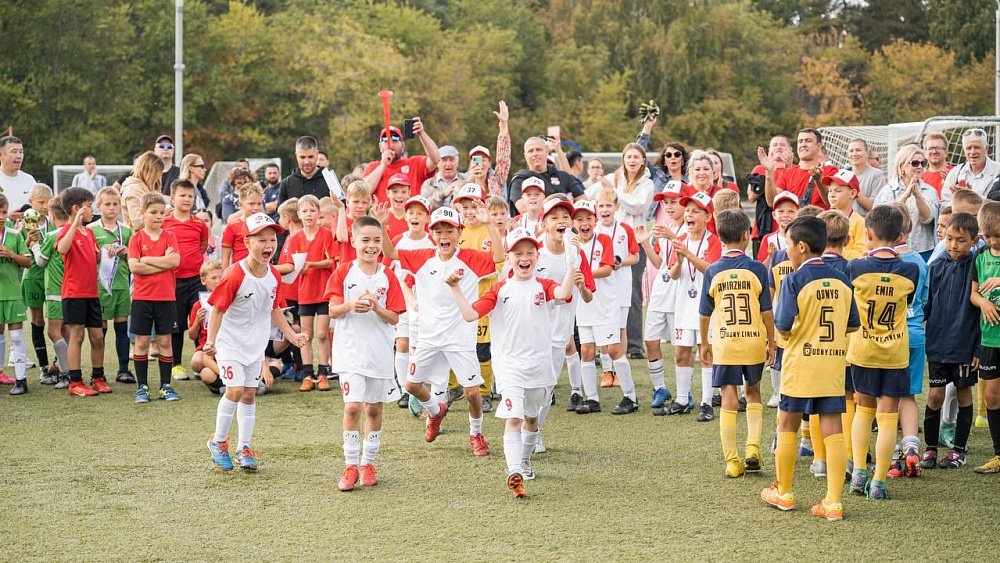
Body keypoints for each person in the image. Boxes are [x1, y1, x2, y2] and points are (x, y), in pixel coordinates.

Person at [448, 227, 576, 497]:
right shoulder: (499, 289)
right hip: (509, 367)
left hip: (540, 366)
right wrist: (456, 288)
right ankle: (514, 471)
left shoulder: (543, 285)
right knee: (514, 419)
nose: (524, 258)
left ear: (537, 257)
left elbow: (563, 294)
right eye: (518, 253)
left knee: (531, 419)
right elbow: (471, 315)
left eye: (529, 252)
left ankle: (525, 460)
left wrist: (572, 263)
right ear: (509, 258)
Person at [760, 216, 859, 522]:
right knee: (833, 428)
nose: (786, 249)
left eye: (788, 244)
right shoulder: (843, 279)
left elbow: (783, 325)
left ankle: (785, 492)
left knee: (787, 424)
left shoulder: (794, 280)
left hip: (800, 365)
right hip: (831, 364)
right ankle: (832, 502)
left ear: (801, 246)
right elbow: (853, 323)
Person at [381, 206, 501, 455]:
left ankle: (476, 434)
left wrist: (490, 225)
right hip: (429, 338)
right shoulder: (421, 256)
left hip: (460, 339)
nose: (444, 235)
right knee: (411, 386)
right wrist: (382, 225)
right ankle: (436, 412)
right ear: (432, 234)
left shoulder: (471, 258)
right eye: (438, 231)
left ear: (459, 232)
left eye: (449, 230)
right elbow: (390, 252)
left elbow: (499, 256)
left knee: (471, 394)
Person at [206, 212, 306, 472]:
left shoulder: (273, 275)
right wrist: (211, 341)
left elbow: (274, 309)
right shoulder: (233, 275)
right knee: (235, 391)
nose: (268, 246)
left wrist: (292, 335)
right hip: (230, 344)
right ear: (247, 242)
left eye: (272, 240)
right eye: (261, 240)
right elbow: (216, 309)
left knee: (250, 395)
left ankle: (244, 447)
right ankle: (218, 442)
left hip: (255, 345)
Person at [326, 216, 406, 491]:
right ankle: (350, 465)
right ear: (354, 240)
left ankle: (368, 462)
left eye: (376, 240)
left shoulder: (388, 276)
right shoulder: (343, 272)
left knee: (373, 408)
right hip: (350, 352)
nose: (371, 246)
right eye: (365, 240)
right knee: (352, 406)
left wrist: (375, 307)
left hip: (379, 352)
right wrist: (351, 305)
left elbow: (394, 317)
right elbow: (332, 310)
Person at [846, 205, 920, 500]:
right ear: (901, 235)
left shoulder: (855, 267)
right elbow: (910, 297)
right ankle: (878, 482)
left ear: (868, 234)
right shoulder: (910, 269)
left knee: (863, 411)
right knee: (888, 416)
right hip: (894, 352)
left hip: (863, 349)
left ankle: (859, 473)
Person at [699, 209, 774, 478]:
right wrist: (772, 342)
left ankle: (732, 461)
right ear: (746, 235)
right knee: (753, 392)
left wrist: (703, 344)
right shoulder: (757, 269)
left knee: (729, 398)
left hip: (726, 344)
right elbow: (767, 311)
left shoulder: (712, 271)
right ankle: (753, 448)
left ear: (720, 236)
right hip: (753, 342)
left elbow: (704, 313)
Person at [921, 212, 980, 470]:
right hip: (937, 346)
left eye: (961, 240)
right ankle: (930, 449)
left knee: (964, 394)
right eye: (949, 239)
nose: (954, 245)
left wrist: (977, 347)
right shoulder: (935, 267)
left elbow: (980, 313)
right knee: (934, 396)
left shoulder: (977, 267)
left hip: (964, 346)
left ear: (974, 241)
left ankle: (958, 451)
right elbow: (927, 305)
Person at [666, 191, 721, 419]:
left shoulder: (713, 241)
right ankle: (681, 399)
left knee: (705, 352)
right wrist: (679, 262)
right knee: (681, 352)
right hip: (683, 304)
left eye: (695, 211)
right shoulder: (680, 241)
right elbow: (673, 274)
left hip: (705, 306)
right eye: (687, 210)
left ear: (707, 217)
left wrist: (687, 254)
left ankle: (706, 402)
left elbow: (712, 270)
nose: (689, 215)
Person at [569, 200, 627, 414]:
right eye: (579, 219)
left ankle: (630, 396)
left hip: (605, 303)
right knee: (586, 350)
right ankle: (592, 399)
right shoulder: (572, 243)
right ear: (574, 222)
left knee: (613, 348)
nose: (584, 223)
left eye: (588, 219)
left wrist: (582, 274)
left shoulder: (603, 239)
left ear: (594, 220)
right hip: (583, 304)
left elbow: (607, 269)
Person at [886, 205, 929, 479]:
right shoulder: (921, 263)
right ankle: (912, 447)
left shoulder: (877, 262)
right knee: (909, 395)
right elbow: (924, 298)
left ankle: (891, 459)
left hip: (889, 336)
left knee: (886, 400)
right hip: (916, 333)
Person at [127, 192, 181, 403]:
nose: (159, 216)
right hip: (142, 298)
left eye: (162, 212)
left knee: (164, 341)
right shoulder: (136, 238)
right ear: (142, 213)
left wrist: (148, 259)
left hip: (166, 298)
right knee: (141, 343)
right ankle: (142, 387)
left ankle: (166, 386)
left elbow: (174, 261)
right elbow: (134, 266)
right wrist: (162, 260)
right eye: (153, 212)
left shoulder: (170, 237)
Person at [278, 195, 336, 392]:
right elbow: (293, 265)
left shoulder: (326, 234)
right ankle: (307, 374)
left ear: (319, 213)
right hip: (305, 293)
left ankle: (323, 374)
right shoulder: (295, 238)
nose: (309, 214)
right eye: (304, 211)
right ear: (299, 216)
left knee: (322, 334)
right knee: (305, 335)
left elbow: (331, 262)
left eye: (312, 210)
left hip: (324, 291)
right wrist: (294, 269)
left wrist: (311, 264)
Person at [55, 187, 107, 397]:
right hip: (74, 293)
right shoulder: (65, 231)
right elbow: (62, 249)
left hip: (91, 293)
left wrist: (107, 254)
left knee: (97, 336)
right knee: (77, 336)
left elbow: (94, 259)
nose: (92, 209)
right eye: (88, 205)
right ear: (76, 209)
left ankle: (98, 377)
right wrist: (74, 225)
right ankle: (75, 382)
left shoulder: (90, 232)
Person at [641, 181, 687, 412]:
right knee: (650, 340)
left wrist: (670, 235)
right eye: (666, 202)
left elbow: (685, 257)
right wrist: (646, 246)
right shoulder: (664, 225)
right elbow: (660, 264)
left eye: (674, 201)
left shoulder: (689, 227)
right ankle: (660, 388)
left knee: (681, 348)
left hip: (680, 294)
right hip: (661, 291)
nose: (669, 207)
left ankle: (683, 392)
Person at [389, 195, 435, 408]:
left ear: (427, 217)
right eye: (411, 212)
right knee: (403, 343)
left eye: (420, 213)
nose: (415, 216)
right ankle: (404, 390)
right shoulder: (398, 240)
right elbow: (387, 266)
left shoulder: (433, 241)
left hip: (426, 302)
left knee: (423, 346)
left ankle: (420, 386)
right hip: (401, 301)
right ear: (405, 215)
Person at [163, 179, 209, 380]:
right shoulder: (164, 222)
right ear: (172, 198)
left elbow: (202, 246)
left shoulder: (199, 224)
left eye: (190, 196)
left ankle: (204, 362)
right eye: (182, 195)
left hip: (197, 280)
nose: (187, 199)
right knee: (177, 324)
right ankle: (177, 365)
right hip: (173, 281)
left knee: (201, 320)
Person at [593, 187, 639, 387]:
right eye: (601, 206)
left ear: (617, 207)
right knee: (603, 327)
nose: (604, 210)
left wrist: (620, 261)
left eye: (608, 206)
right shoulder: (592, 230)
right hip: (600, 286)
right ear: (596, 208)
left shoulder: (625, 229)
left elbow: (635, 256)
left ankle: (619, 370)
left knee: (620, 328)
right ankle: (607, 370)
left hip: (621, 285)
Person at [88, 187, 133, 383]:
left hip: (122, 285)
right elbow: (86, 258)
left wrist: (127, 251)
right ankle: (99, 371)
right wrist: (100, 254)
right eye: (107, 204)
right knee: (100, 331)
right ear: (98, 206)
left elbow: (134, 259)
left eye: (115, 204)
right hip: (101, 287)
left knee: (122, 328)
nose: (112, 208)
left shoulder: (126, 231)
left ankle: (123, 370)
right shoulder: (91, 230)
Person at [970, 201, 1000, 474]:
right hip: (990, 339)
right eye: (987, 235)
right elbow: (973, 293)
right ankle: (998, 454)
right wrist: (984, 303)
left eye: (997, 236)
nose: (992, 240)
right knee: (992, 397)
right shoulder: (979, 256)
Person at [873, 145, 939, 259]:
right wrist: (905, 197)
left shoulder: (929, 190)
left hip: (924, 251)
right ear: (902, 166)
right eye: (914, 163)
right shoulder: (887, 190)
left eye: (922, 163)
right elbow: (883, 220)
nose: (919, 167)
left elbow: (927, 218)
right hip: (893, 251)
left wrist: (918, 197)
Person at [20, 184, 57, 384]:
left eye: (48, 203)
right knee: (38, 321)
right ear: (31, 202)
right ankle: (43, 368)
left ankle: (57, 364)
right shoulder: (24, 224)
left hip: (52, 277)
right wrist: (26, 240)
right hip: (33, 277)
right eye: (41, 202)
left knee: (57, 323)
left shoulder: (54, 223)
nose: (44, 206)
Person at [0, 193, 33, 395]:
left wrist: (11, 255)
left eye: (4, 211)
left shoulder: (14, 235)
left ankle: (21, 380)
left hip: (13, 294)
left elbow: (28, 262)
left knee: (17, 336)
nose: (1, 216)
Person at [38, 194, 71, 388]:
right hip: (71, 289)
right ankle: (64, 368)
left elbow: (41, 261)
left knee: (53, 331)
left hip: (55, 291)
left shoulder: (52, 236)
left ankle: (67, 373)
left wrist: (34, 245)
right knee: (65, 330)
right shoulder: (73, 232)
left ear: (51, 215)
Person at [364, 118, 440, 202]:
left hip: (410, 215)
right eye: (386, 141)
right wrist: (383, 164)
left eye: (395, 140)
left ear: (403, 145)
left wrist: (422, 134)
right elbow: (364, 192)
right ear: (380, 147)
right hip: (381, 215)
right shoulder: (372, 167)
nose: (391, 145)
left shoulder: (414, 163)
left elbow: (436, 160)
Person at [507, 137, 585, 215]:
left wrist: (572, 208)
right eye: (530, 151)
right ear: (525, 156)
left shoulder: (562, 176)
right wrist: (562, 202)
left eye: (538, 149)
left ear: (547, 151)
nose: (535, 154)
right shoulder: (519, 180)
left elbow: (583, 199)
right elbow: (524, 210)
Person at [763, 128, 838, 209]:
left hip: (818, 220)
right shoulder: (788, 172)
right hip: (795, 221)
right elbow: (772, 201)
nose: (803, 144)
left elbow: (831, 201)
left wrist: (819, 180)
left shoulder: (830, 170)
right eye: (800, 141)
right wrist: (769, 173)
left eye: (808, 141)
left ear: (819, 146)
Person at [748, 136, 793, 257]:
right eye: (775, 144)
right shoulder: (760, 169)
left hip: (788, 227)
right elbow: (751, 197)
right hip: (763, 228)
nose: (778, 147)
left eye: (782, 145)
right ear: (769, 152)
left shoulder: (794, 170)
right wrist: (766, 174)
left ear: (790, 150)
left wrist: (788, 168)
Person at [189, 261, 224, 394]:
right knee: (199, 363)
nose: (218, 281)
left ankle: (225, 381)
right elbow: (192, 336)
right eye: (213, 278)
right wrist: (198, 321)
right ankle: (223, 380)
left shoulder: (231, 300)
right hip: (207, 349)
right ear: (204, 281)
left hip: (226, 346)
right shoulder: (199, 305)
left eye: (221, 278)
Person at [942, 128, 1000, 202]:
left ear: (986, 148)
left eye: (977, 147)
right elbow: (944, 204)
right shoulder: (954, 173)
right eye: (968, 148)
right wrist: (957, 199)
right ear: (964, 150)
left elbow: (997, 206)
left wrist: (971, 197)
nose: (972, 152)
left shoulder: (998, 171)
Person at [820, 170, 868, 259]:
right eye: (830, 190)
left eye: (837, 191)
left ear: (853, 193)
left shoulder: (859, 222)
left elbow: (861, 253)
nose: (831, 195)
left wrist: (832, 251)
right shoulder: (823, 218)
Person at [221, 180, 264, 268]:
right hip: (239, 272)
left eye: (259, 204)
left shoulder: (265, 225)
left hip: (261, 272)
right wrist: (225, 276)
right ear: (240, 205)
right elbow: (225, 257)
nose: (256, 207)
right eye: (251, 204)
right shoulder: (232, 226)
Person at [278, 137, 331, 205]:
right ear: (296, 155)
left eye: (310, 157)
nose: (306, 162)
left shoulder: (330, 180)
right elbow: (280, 213)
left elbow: (343, 208)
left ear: (317, 154)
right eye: (302, 157)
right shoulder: (286, 183)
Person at [120, 151, 164, 231]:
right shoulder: (133, 190)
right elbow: (138, 222)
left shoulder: (149, 186)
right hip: (136, 238)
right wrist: (164, 217)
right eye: (158, 173)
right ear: (150, 172)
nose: (160, 177)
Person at [757, 191, 799, 266]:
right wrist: (770, 257)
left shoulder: (802, 238)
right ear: (774, 215)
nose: (786, 215)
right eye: (781, 211)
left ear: (798, 214)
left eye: (791, 211)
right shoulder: (768, 239)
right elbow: (761, 269)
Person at [845, 139, 886, 216]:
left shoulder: (877, 174)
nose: (854, 154)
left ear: (867, 153)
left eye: (858, 150)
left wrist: (854, 190)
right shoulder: (843, 173)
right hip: (845, 223)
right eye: (851, 151)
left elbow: (875, 208)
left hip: (865, 225)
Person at [421, 145, 464, 210]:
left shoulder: (465, 180)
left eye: (452, 160)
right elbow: (425, 206)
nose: (448, 164)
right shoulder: (429, 183)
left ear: (457, 162)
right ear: (437, 163)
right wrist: (443, 195)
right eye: (444, 160)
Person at [0, 135, 36, 212]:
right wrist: (8, 218)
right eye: (14, 151)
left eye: (21, 152)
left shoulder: (29, 180)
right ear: (1, 155)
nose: (19, 156)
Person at [921, 132, 953, 198]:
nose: (934, 151)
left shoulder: (956, 172)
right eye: (930, 148)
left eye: (938, 148)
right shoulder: (920, 178)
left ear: (946, 152)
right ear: (925, 153)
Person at [218, 158, 249, 223]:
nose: (243, 185)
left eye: (245, 182)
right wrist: (248, 208)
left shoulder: (257, 196)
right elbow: (228, 219)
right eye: (239, 182)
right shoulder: (229, 198)